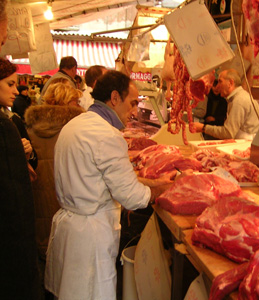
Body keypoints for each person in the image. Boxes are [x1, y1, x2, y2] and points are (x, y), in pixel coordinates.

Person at [45, 70, 171, 300]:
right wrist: (161, 191)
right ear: (114, 98)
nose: (134, 112)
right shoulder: (106, 135)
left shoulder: (77, 124)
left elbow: (104, 178)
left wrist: (155, 182)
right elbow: (132, 197)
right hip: (90, 238)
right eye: (132, 103)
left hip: (72, 229)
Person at [25, 83, 85, 262]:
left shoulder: (28, 129)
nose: (80, 105)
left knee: (43, 247)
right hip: (67, 206)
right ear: (67, 103)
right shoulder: (76, 131)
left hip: (37, 204)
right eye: (76, 101)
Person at [0, 58, 41, 299]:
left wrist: (25, 152)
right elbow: (15, 198)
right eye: (9, 84)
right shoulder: (5, 126)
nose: (16, 90)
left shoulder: (10, 121)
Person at [193, 69, 259, 140]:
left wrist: (203, 128)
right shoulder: (238, 97)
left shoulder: (239, 101)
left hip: (245, 144)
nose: (217, 86)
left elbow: (228, 133)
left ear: (230, 83)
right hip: (242, 142)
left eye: (220, 81)